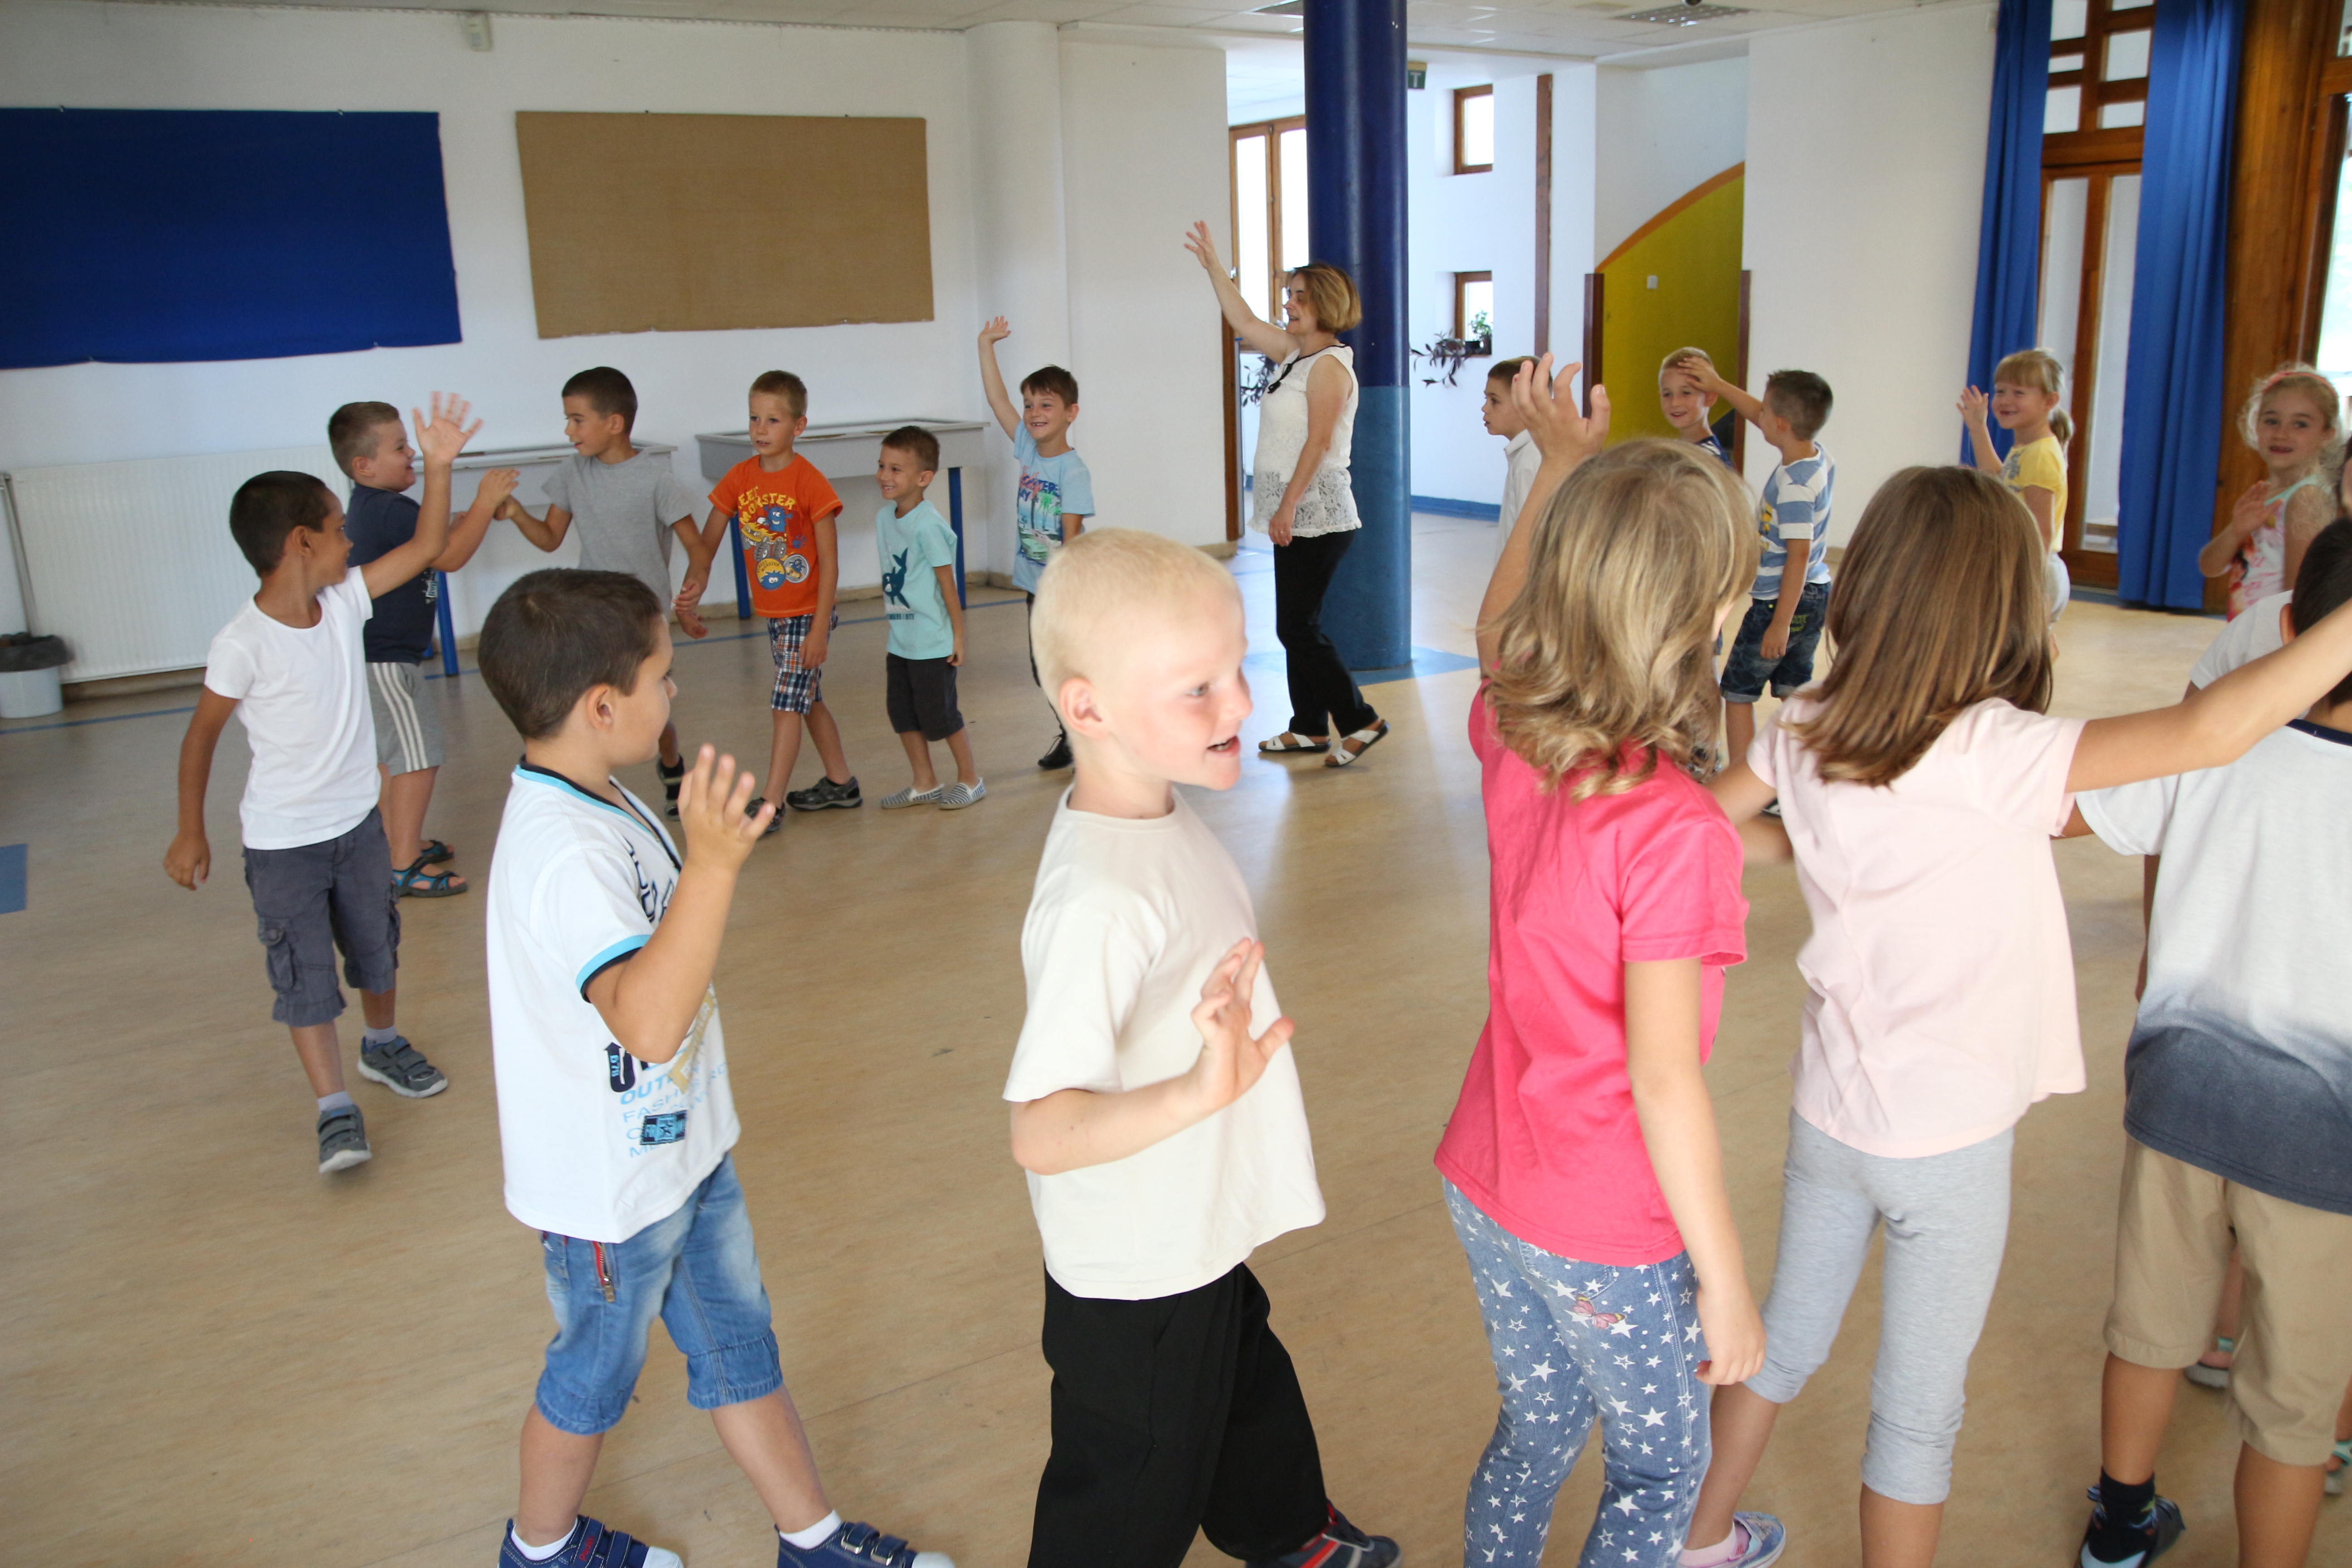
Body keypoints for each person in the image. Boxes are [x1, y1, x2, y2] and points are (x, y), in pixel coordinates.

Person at [1684, 466, 2352, 1568]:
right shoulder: (2001, 751)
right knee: (1916, 1415)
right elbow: (2217, 728)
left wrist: (1799, 840)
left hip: (1831, 1117)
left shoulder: (1801, 723)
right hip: (1948, 1146)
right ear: (2004, 608)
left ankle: (1697, 1537)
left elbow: (1704, 829)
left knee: (1784, 1341)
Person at [475, 568, 956, 1568]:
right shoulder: (563, 853)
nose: (674, 690)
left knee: (740, 1348)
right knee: (590, 1381)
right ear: (602, 707)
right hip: (611, 1195)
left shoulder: (598, 793)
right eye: (662, 676)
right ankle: (541, 1548)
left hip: (682, 1154)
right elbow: (647, 1023)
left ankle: (811, 1541)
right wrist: (714, 866)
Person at [1007, 527, 1398, 1568]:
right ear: (1088, 708)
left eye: (1236, 670)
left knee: (1242, 1387)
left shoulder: (1156, 809)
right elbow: (1041, 1131)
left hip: (1192, 1223)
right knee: (1129, 1482)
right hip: (1139, 1271)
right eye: (1199, 688)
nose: (1239, 706)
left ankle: (1285, 1532)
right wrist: (1195, 1093)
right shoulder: (1097, 901)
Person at [1441, 356, 1772, 1568]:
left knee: (1536, 1428)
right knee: (1659, 1471)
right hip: (1604, 1225)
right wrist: (1725, 1283)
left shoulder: (1515, 730)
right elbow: (1664, 1078)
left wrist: (1558, 466)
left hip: (1488, 1178)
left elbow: (1493, 632)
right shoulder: (1675, 833)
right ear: (1703, 623)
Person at [2067, 520, 2352, 1568]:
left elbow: (2081, 809)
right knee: (2294, 1400)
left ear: (2289, 627)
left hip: (2179, 1097)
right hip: (2324, 1140)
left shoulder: (2211, 738)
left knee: (2149, 1326)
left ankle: (2119, 1525)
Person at [163, 397, 477, 1175]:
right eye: (338, 529)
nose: (350, 539)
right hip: (283, 846)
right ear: (302, 543)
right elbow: (200, 737)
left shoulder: (343, 604)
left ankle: (381, 1043)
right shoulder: (241, 643)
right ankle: (334, 1109)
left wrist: (439, 466)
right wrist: (191, 829)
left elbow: (428, 546)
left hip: (358, 829)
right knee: (304, 974)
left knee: (377, 947)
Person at [1185, 220, 1388, 769]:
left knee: (1296, 626)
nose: (1289, 303)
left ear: (1325, 304)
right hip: (1295, 511)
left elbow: (1319, 442)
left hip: (1317, 512)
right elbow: (1245, 320)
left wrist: (1289, 506)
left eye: (1299, 296)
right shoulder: (1297, 354)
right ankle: (1309, 727)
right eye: (1289, 294)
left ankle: (1361, 720)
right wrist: (1213, 267)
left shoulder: (1329, 367)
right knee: (1298, 624)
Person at [498, 365, 712, 816]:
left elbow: (697, 548)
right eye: (568, 419)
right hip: (589, 615)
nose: (568, 431)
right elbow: (550, 538)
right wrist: (516, 512)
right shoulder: (572, 473)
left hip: (641, 619)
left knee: (648, 705)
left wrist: (691, 596)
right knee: (582, 701)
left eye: (577, 420)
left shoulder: (656, 479)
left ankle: (671, 764)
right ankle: (585, 785)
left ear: (614, 423)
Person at [327, 398, 518, 897]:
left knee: (393, 758)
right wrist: (485, 502)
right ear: (364, 466)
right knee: (417, 757)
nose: (410, 452)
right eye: (399, 448)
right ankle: (402, 864)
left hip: (378, 658)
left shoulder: (378, 506)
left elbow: (434, 544)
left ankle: (397, 844)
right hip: (387, 661)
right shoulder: (390, 509)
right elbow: (448, 556)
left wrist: (462, 521)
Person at [697, 370, 858, 827]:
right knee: (808, 699)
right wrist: (695, 582)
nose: (760, 430)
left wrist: (819, 628)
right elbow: (708, 539)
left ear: (798, 426)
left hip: (807, 613)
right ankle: (841, 782)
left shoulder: (810, 482)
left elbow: (830, 563)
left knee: (786, 703)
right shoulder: (740, 477)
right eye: (754, 419)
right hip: (777, 613)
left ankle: (771, 803)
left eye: (773, 420)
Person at [1680, 362, 1834, 775]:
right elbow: (1763, 415)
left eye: (1765, 411)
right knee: (1792, 690)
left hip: (1779, 602)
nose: (1757, 414)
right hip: (1815, 594)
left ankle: (1742, 777)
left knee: (1738, 692)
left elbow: (1797, 555)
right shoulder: (1816, 457)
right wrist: (1719, 384)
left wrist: (1780, 623)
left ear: (1780, 424)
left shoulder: (1794, 487)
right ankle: (1805, 774)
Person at [977, 317, 1093, 772]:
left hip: (1062, 593)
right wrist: (986, 345)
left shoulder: (1072, 471)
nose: (1034, 412)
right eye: (1030, 405)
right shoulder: (1028, 448)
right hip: (1034, 585)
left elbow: (1072, 537)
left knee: (1066, 670)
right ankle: (1074, 735)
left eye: (1046, 404)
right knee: (1043, 670)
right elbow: (997, 400)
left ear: (1071, 412)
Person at [872, 425, 982, 810]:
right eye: (882, 466)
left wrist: (959, 636)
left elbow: (948, 585)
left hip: (933, 643)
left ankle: (970, 780)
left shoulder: (929, 525)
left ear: (924, 478)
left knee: (941, 716)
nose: (885, 475)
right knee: (902, 713)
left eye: (896, 469)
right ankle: (925, 782)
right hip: (901, 641)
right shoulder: (884, 519)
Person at [2197, 363, 2342, 620]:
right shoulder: (2265, 494)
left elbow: (2298, 595)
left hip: (2274, 634)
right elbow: (2209, 567)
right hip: (2247, 630)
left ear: (2327, 435)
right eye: (2272, 421)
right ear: (2256, 425)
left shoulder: (2308, 497)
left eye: (2300, 424)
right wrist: (2236, 531)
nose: (2281, 434)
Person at [1960, 346, 2074, 621]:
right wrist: (1978, 428)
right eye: (2001, 391)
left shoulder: (2041, 454)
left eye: (2019, 393)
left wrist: (2026, 583)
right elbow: (1999, 480)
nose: (2006, 400)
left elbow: (2042, 531)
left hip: (2035, 570)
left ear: (2049, 401)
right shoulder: (2028, 448)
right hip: (2025, 566)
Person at [1480, 355, 1539, 564]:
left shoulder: (1531, 460)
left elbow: (1530, 542)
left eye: (1495, 401)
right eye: (1486, 399)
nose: (1485, 408)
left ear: (1525, 403)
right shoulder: (1524, 453)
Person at [1661, 348, 1737, 468]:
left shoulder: (1709, 460)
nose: (1675, 403)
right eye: (1667, 394)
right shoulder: (1670, 451)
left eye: (1686, 393)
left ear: (1710, 397)